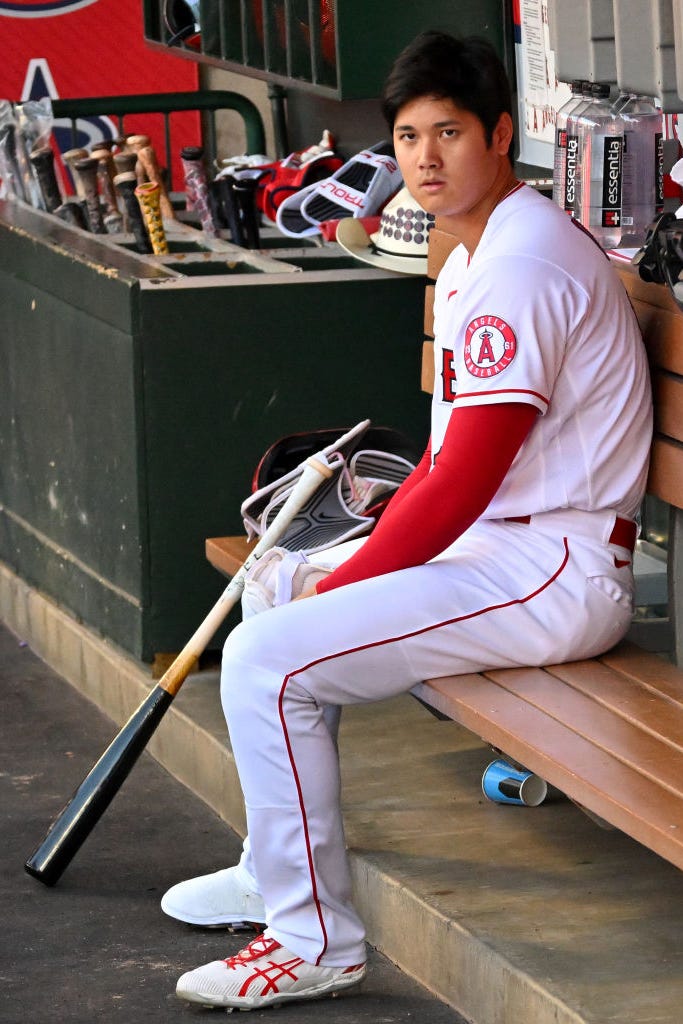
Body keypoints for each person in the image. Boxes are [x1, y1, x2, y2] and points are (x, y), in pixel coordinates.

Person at [169, 31, 653, 1011]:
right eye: (405, 137)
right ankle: (274, 870)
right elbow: (444, 471)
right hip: (507, 545)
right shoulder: (485, 242)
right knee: (272, 580)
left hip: (548, 569)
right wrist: (343, 554)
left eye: (449, 133)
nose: (423, 159)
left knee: (272, 658)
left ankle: (313, 939)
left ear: (501, 136)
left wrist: (352, 579)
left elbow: (460, 486)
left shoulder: (517, 267)